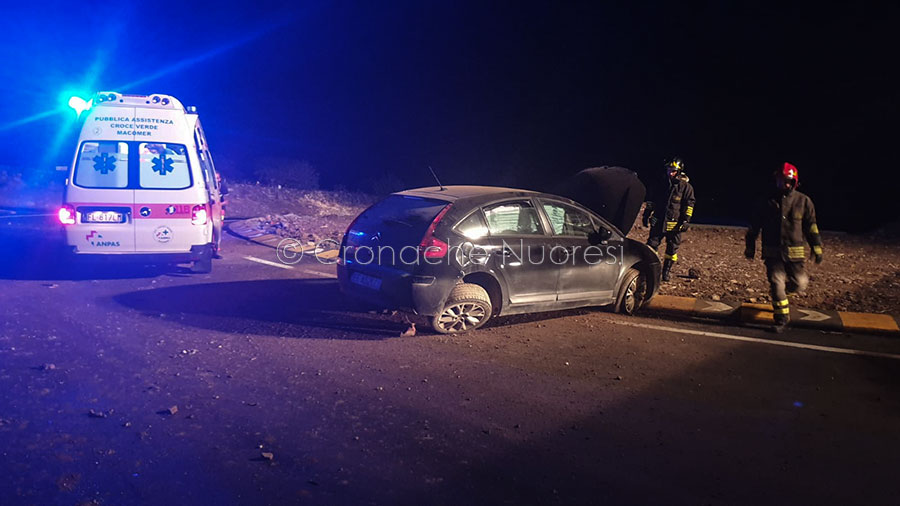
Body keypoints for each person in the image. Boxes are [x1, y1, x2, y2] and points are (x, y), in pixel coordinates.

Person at [745, 162, 823, 332]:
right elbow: (754, 227)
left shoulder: (803, 201)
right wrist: (750, 247)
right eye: (781, 181)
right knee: (776, 283)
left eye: (788, 181)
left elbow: (811, 227)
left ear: (794, 182)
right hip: (773, 254)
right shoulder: (766, 202)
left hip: (795, 255)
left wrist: (817, 248)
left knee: (800, 284)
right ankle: (781, 320)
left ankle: (782, 295)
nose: (784, 185)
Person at [642, 157, 696, 281]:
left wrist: (686, 220)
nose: (670, 173)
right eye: (669, 170)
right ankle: (650, 271)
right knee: (651, 246)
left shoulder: (686, 187)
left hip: (675, 224)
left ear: (679, 171)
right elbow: (651, 201)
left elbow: (689, 204)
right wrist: (646, 215)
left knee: (671, 250)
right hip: (658, 221)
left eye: (673, 171)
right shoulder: (660, 184)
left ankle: (665, 272)